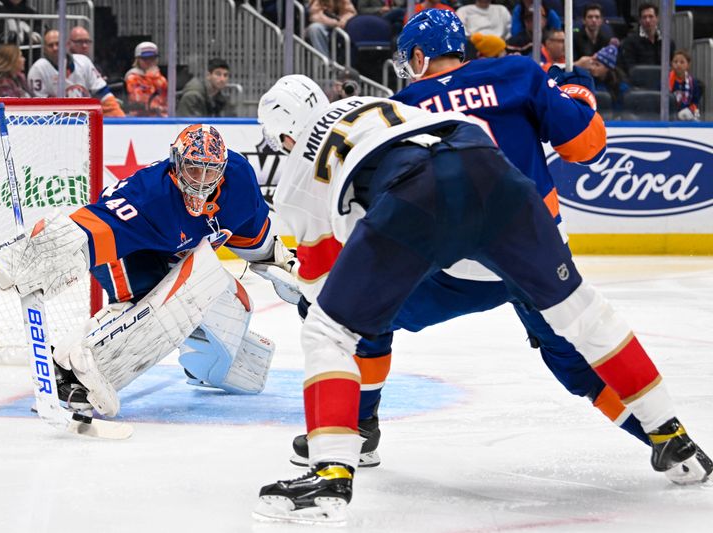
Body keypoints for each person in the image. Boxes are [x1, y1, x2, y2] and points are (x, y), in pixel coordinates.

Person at [252, 17, 712, 527]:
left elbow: (327, 280)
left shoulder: (373, 120)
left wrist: (311, 293)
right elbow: (570, 143)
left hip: (442, 240)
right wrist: (574, 94)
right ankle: (671, 437)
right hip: (512, 208)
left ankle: (343, 454)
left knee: (343, 327)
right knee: (584, 326)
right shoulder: (503, 75)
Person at [288, 8, 636, 471]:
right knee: (574, 360)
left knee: (363, 316)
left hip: (459, 263)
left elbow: (390, 208)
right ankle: (666, 436)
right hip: (534, 251)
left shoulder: (403, 104)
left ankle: (360, 429)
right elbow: (586, 147)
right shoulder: (519, 72)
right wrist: (577, 92)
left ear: (417, 56)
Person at [0, 124, 299, 417]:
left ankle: (201, 364)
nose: (201, 179)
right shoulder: (148, 196)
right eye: (192, 167)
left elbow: (252, 235)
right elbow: (92, 226)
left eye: (209, 170)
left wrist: (280, 260)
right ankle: (66, 371)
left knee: (231, 301)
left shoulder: (239, 180)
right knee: (154, 306)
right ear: (176, 162)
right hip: (127, 249)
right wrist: (50, 246)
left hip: (170, 257)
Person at [27, 29, 124, 116]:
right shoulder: (37, 69)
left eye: (58, 44)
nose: (55, 48)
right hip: (55, 124)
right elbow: (41, 107)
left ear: (66, 45)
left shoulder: (83, 62)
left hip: (86, 121)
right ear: (44, 48)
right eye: (50, 45)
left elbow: (103, 93)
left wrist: (120, 119)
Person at [619, 2, 674, 75]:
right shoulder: (630, 42)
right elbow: (630, 69)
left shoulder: (668, 42)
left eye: (651, 16)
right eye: (644, 17)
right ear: (640, 20)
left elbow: (672, 67)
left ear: (657, 18)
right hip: (640, 84)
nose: (647, 20)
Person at [576, 44, 630, 111]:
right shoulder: (587, 81)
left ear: (607, 68)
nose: (592, 68)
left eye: (597, 65)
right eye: (593, 64)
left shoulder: (621, 87)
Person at [124, 41, 168, 117]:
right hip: (140, 119)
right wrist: (150, 78)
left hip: (161, 118)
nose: (149, 61)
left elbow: (166, 99)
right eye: (145, 59)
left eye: (152, 58)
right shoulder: (132, 77)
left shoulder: (160, 78)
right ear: (138, 60)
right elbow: (139, 101)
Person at [669, 49, 702, 122]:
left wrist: (689, 111)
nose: (678, 64)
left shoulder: (693, 82)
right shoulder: (665, 81)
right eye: (675, 62)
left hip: (687, 117)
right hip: (669, 118)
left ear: (688, 65)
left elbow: (695, 102)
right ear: (671, 63)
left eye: (682, 62)